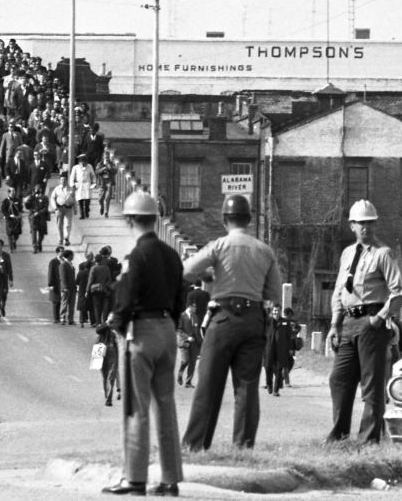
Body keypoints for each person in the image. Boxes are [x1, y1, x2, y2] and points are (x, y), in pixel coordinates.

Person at [180, 194, 282, 452]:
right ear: (248, 219)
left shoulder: (218, 246)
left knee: (208, 384)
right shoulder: (264, 250)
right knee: (247, 386)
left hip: (223, 318)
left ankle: (195, 445)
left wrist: (210, 274)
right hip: (253, 319)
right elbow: (274, 294)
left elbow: (186, 271)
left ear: (225, 219)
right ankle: (243, 446)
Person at [102, 191, 185, 497]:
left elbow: (124, 298)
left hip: (141, 330)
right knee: (166, 406)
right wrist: (170, 324)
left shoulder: (135, 256)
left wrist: (120, 326)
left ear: (130, 220)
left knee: (137, 408)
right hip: (167, 329)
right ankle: (170, 479)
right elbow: (181, 295)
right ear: (155, 218)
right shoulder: (172, 255)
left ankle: (134, 479)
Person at [325, 199, 402, 445]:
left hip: (371, 322)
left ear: (376, 224)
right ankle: (339, 435)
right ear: (352, 226)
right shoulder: (348, 253)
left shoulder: (383, 254)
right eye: (361, 223)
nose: (366, 228)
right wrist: (335, 323)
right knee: (339, 379)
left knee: (371, 385)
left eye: (370, 223)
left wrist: (380, 318)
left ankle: (368, 440)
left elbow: (399, 291)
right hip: (348, 321)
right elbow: (339, 289)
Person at [176, 301, 202, 388]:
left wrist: (201, 343)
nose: (196, 308)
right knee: (185, 361)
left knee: (193, 363)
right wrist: (187, 337)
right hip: (184, 342)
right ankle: (180, 374)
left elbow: (197, 331)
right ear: (189, 307)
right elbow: (179, 330)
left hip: (194, 343)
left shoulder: (195, 317)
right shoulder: (181, 316)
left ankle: (188, 382)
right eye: (194, 307)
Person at [68, 153, 96, 219]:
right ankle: (82, 214)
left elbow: (93, 175)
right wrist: (72, 185)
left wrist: (94, 183)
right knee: (80, 200)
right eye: (82, 162)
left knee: (87, 199)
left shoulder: (89, 166)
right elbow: (72, 177)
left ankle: (86, 210)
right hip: (79, 185)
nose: (84, 164)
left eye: (85, 162)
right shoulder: (75, 168)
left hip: (87, 184)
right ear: (80, 162)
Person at [50, 179, 75, 245]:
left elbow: (74, 199)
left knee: (68, 224)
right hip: (59, 208)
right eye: (62, 180)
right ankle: (60, 239)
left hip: (68, 208)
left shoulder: (70, 189)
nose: (63, 181)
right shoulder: (57, 189)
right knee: (59, 225)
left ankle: (66, 238)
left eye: (64, 180)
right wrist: (55, 208)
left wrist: (75, 209)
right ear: (60, 181)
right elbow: (52, 198)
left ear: (67, 181)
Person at [59, 248, 77, 325]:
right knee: (65, 303)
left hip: (72, 287)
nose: (73, 256)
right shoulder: (63, 265)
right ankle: (63, 318)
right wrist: (65, 287)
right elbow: (63, 277)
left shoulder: (70, 264)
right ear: (69, 256)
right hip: (66, 288)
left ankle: (71, 319)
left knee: (72, 304)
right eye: (72, 255)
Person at [47, 247, 63, 323]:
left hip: (62, 284)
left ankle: (60, 317)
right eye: (61, 251)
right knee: (55, 301)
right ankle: (56, 318)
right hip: (55, 284)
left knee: (60, 301)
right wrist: (50, 284)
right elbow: (50, 273)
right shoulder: (53, 262)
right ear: (57, 252)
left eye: (63, 251)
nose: (62, 253)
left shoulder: (63, 261)